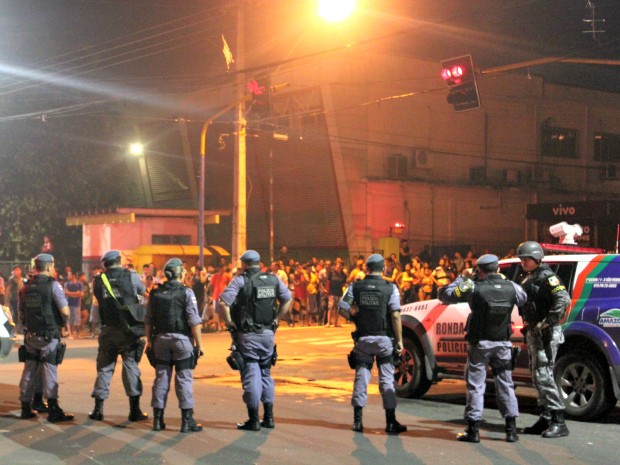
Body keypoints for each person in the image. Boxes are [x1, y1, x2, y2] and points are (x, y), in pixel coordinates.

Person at [438, 254, 527, 442]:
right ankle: (511, 430)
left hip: (480, 344)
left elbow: (444, 295)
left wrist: (461, 280)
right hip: (502, 343)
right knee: (505, 384)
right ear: (498, 269)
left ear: (480, 270)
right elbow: (523, 299)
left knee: (476, 385)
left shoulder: (473, 286)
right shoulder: (512, 287)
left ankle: (473, 430)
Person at [219, 250, 292, 431]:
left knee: (251, 372)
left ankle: (253, 420)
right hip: (268, 334)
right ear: (259, 263)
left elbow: (223, 303)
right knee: (266, 373)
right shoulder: (273, 279)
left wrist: (230, 323)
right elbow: (287, 299)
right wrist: (276, 319)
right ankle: (269, 418)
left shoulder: (240, 280)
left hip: (248, 335)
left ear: (244, 264)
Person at [338, 254, 407, 434]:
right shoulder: (390, 288)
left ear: (366, 269)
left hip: (363, 339)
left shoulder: (355, 287)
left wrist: (355, 318)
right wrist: (399, 341)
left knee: (362, 376)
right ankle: (391, 422)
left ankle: (357, 421)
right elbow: (395, 315)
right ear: (384, 269)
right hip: (384, 340)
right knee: (387, 381)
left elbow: (341, 308)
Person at [517, 241, 571, 438]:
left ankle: (559, 421)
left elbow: (563, 300)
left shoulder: (548, 277)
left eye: (526, 259)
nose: (522, 262)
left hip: (546, 333)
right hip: (534, 332)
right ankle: (546, 417)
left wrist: (546, 323)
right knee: (536, 376)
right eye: (521, 258)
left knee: (543, 375)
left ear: (536, 259)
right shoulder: (531, 277)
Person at [88, 250, 148, 422]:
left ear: (104, 264)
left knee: (105, 368)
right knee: (130, 366)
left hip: (108, 330)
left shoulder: (98, 281)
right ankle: (134, 410)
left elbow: (99, 299)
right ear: (119, 261)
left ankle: (98, 409)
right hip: (128, 331)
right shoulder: (131, 277)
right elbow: (142, 293)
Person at [145, 258, 204, 433]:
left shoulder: (155, 293)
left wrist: (149, 341)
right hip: (182, 341)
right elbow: (194, 321)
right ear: (180, 274)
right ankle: (186, 422)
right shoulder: (186, 292)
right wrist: (199, 345)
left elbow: (147, 320)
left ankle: (157, 420)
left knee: (161, 379)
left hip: (160, 341)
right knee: (184, 379)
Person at [18, 253, 74, 422]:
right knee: (49, 370)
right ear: (49, 266)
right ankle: (53, 409)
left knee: (29, 370)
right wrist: (62, 323)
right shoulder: (53, 286)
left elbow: (21, 314)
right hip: (49, 334)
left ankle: (25, 407)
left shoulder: (25, 287)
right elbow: (65, 311)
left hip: (30, 335)